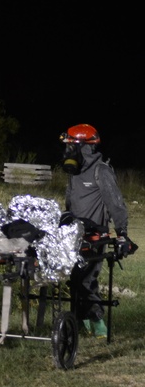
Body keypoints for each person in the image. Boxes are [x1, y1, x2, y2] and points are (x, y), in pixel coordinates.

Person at [60, 123, 136, 338]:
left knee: (86, 279)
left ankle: (97, 322)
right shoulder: (75, 171)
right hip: (74, 236)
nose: (66, 150)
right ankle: (81, 321)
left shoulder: (101, 171)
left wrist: (122, 234)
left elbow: (116, 204)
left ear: (82, 147)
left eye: (70, 145)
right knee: (76, 279)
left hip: (96, 237)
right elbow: (70, 201)